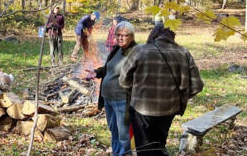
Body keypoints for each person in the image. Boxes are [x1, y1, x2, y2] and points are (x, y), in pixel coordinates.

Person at [119, 24, 204, 156]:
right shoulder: (183, 52)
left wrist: (136, 90)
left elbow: (123, 80)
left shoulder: (140, 50)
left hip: (142, 109)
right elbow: (197, 85)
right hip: (169, 110)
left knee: (145, 148)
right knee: (159, 144)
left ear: (152, 35)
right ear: (171, 38)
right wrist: (177, 97)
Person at [86, 21, 136, 156]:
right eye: (118, 35)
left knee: (123, 133)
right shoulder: (116, 50)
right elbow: (108, 68)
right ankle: (116, 153)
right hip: (108, 98)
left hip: (122, 100)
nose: (120, 38)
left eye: (124, 35)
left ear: (131, 36)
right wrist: (96, 72)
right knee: (113, 129)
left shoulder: (135, 53)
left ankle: (125, 154)